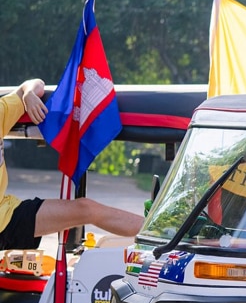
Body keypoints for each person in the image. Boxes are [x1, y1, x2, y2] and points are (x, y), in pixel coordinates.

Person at [1, 79, 144, 251]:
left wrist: (28, 95)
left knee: (87, 208)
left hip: (7, 215)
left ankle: (163, 234)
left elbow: (35, 84)